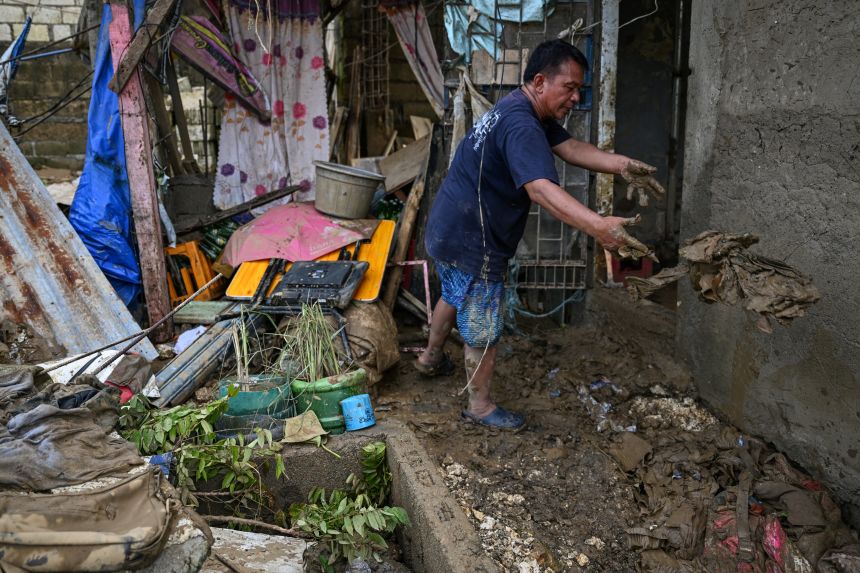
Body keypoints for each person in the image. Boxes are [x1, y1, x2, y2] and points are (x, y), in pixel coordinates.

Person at [416, 39, 664, 429]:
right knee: (483, 323)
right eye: (570, 87)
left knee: (454, 291)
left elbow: (571, 147)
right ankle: (479, 406)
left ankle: (430, 357)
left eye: (580, 89)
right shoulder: (521, 125)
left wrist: (622, 166)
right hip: (474, 237)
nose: (576, 98)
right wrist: (598, 226)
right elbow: (541, 189)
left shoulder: (522, 108)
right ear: (540, 81)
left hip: (448, 226)